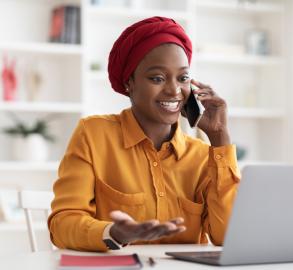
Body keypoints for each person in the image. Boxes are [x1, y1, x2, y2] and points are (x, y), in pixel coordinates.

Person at [48, 16, 240, 251]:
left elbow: (227, 237)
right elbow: (62, 224)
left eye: (183, 78)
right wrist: (113, 233)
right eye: (157, 78)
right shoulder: (93, 134)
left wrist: (220, 138)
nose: (174, 90)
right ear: (130, 82)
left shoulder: (201, 155)